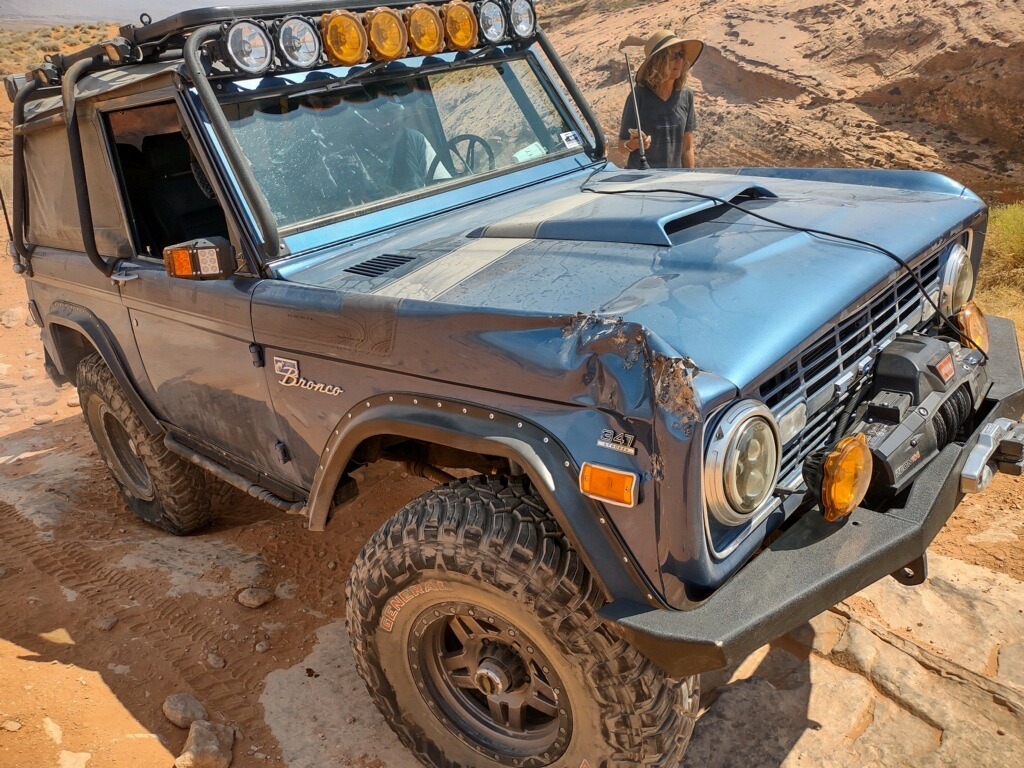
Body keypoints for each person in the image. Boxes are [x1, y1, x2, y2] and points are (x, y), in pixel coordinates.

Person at [618, 30, 704, 169]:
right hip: (642, 181)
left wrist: (690, 180)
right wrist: (633, 144)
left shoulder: (686, 95)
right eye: (673, 56)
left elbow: (687, 148)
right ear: (658, 62)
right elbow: (622, 145)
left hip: (672, 181)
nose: (679, 60)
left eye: (681, 54)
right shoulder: (638, 95)